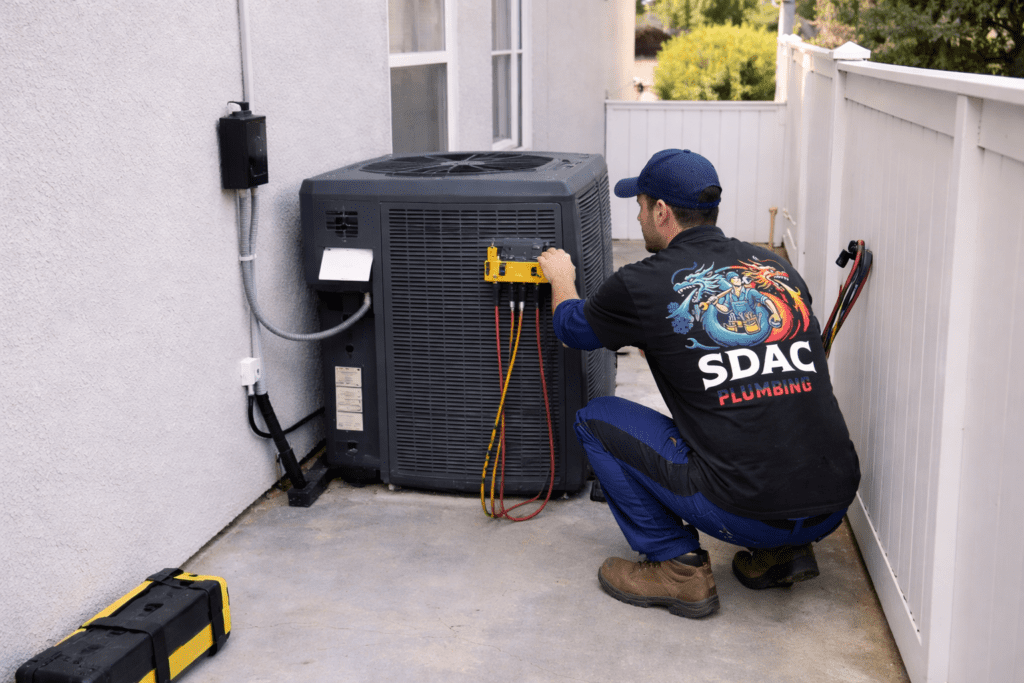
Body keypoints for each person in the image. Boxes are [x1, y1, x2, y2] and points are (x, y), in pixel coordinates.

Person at [537, 149, 860, 619]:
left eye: (642, 205)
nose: (640, 215)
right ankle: (785, 552)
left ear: (662, 212)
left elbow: (572, 331)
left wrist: (561, 279)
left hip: (744, 510)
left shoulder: (641, 284)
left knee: (596, 420)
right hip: (831, 506)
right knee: (767, 413)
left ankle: (677, 569)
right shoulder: (777, 269)